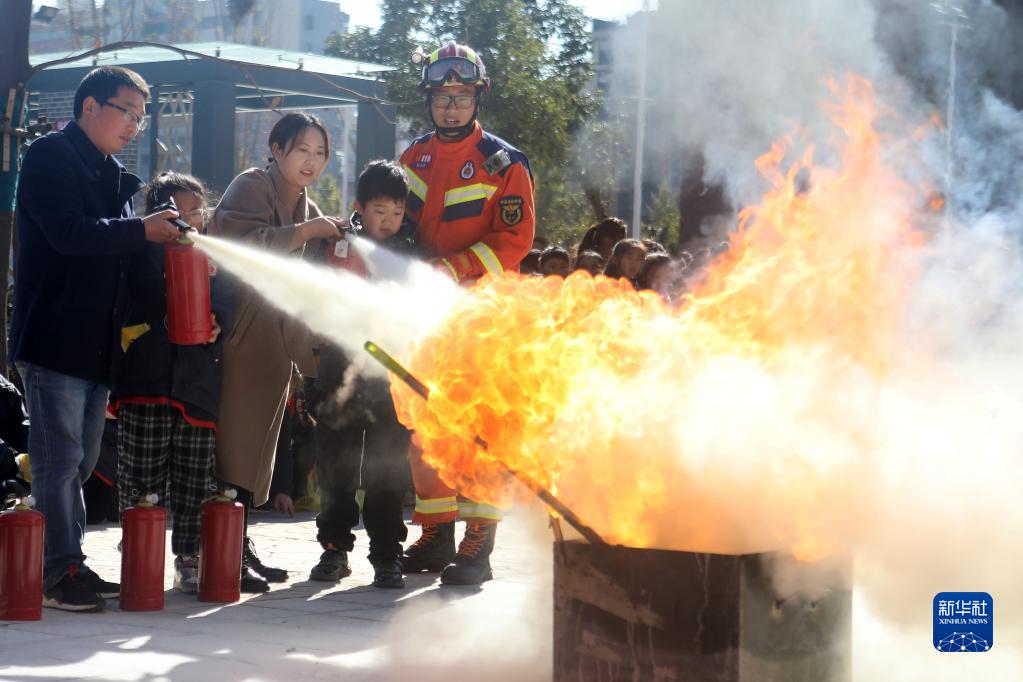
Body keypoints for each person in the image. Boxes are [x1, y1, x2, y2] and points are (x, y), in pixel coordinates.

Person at [9, 66, 182, 612]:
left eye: (140, 115)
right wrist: (141, 230)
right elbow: (67, 233)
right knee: (60, 459)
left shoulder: (115, 175)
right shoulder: (47, 157)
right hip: (55, 335)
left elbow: (130, 250)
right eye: (125, 111)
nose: (134, 125)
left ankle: (66, 559)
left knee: (81, 461)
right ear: (89, 107)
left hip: (98, 343)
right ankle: (58, 571)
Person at [398, 41, 535, 585]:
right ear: (429, 99)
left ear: (478, 97)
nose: (450, 107)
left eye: (461, 96)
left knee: (481, 426)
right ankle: (435, 534)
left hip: (484, 315)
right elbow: (399, 224)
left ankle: (478, 541)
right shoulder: (414, 157)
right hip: (427, 316)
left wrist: (451, 270)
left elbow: (514, 241)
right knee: (424, 423)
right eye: (441, 96)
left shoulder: (505, 162)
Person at [210, 112, 343, 593]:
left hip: (272, 340)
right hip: (240, 335)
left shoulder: (303, 200)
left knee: (256, 451)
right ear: (277, 148)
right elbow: (244, 248)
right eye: (302, 150)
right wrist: (308, 232)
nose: (312, 162)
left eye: (320, 153)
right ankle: (221, 551)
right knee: (233, 449)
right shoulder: (251, 185)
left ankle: (237, 545)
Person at [109, 171, 227, 594]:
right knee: (142, 470)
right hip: (146, 379)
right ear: (160, 214)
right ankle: (137, 548)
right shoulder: (137, 253)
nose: (193, 221)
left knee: (196, 473)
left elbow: (227, 308)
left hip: (195, 383)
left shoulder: (213, 257)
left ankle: (190, 556)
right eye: (183, 212)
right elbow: (124, 305)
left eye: (198, 212)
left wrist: (216, 324)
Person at [310, 160, 417, 589]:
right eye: (379, 212)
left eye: (396, 213)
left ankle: (387, 554)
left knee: (387, 468)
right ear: (360, 206)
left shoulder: (412, 249)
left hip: (391, 376)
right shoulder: (336, 244)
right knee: (337, 463)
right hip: (339, 370)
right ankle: (334, 548)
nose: (388, 222)